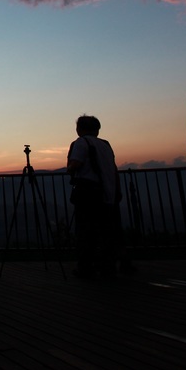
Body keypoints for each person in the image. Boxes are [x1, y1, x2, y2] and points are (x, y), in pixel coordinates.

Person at [67, 115, 121, 279]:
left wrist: (70, 168)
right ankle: (107, 266)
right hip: (107, 191)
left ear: (80, 129)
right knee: (105, 230)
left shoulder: (81, 143)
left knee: (85, 230)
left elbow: (76, 164)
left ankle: (85, 267)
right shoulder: (105, 145)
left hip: (87, 192)